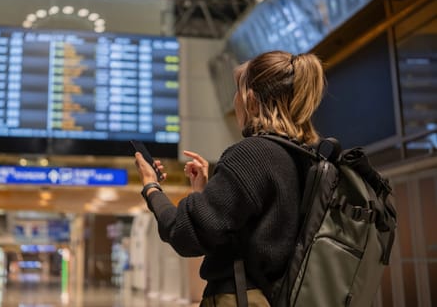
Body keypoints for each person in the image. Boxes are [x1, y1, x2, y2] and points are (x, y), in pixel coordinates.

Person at [134, 50, 326, 306]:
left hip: (240, 298)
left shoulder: (252, 154)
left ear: (250, 100)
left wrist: (151, 187)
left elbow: (184, 235)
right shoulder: (302, 157)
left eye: (237, 91)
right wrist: (203, 193)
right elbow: (238, 231)